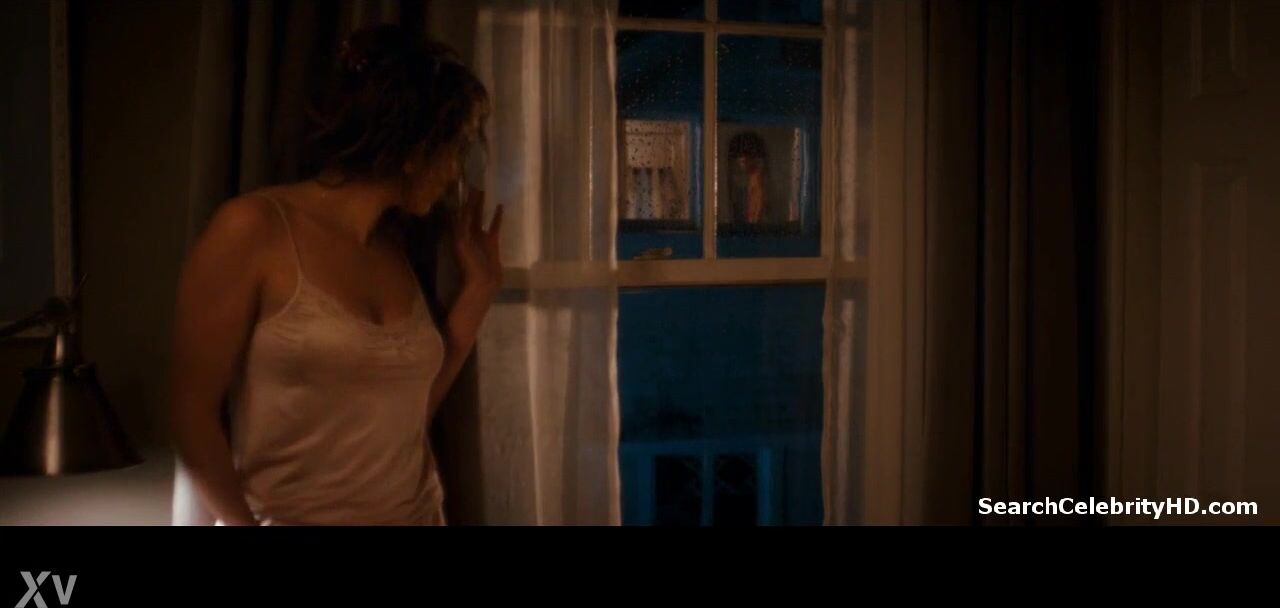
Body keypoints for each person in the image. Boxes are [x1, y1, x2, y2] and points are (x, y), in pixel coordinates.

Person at [169, 24, 501, 526]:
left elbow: (404, 418)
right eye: (453, 150)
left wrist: (480, 290)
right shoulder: (253, 228)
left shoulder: (392, 252)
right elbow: (190, 415)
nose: (455, 171)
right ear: (415, 150)